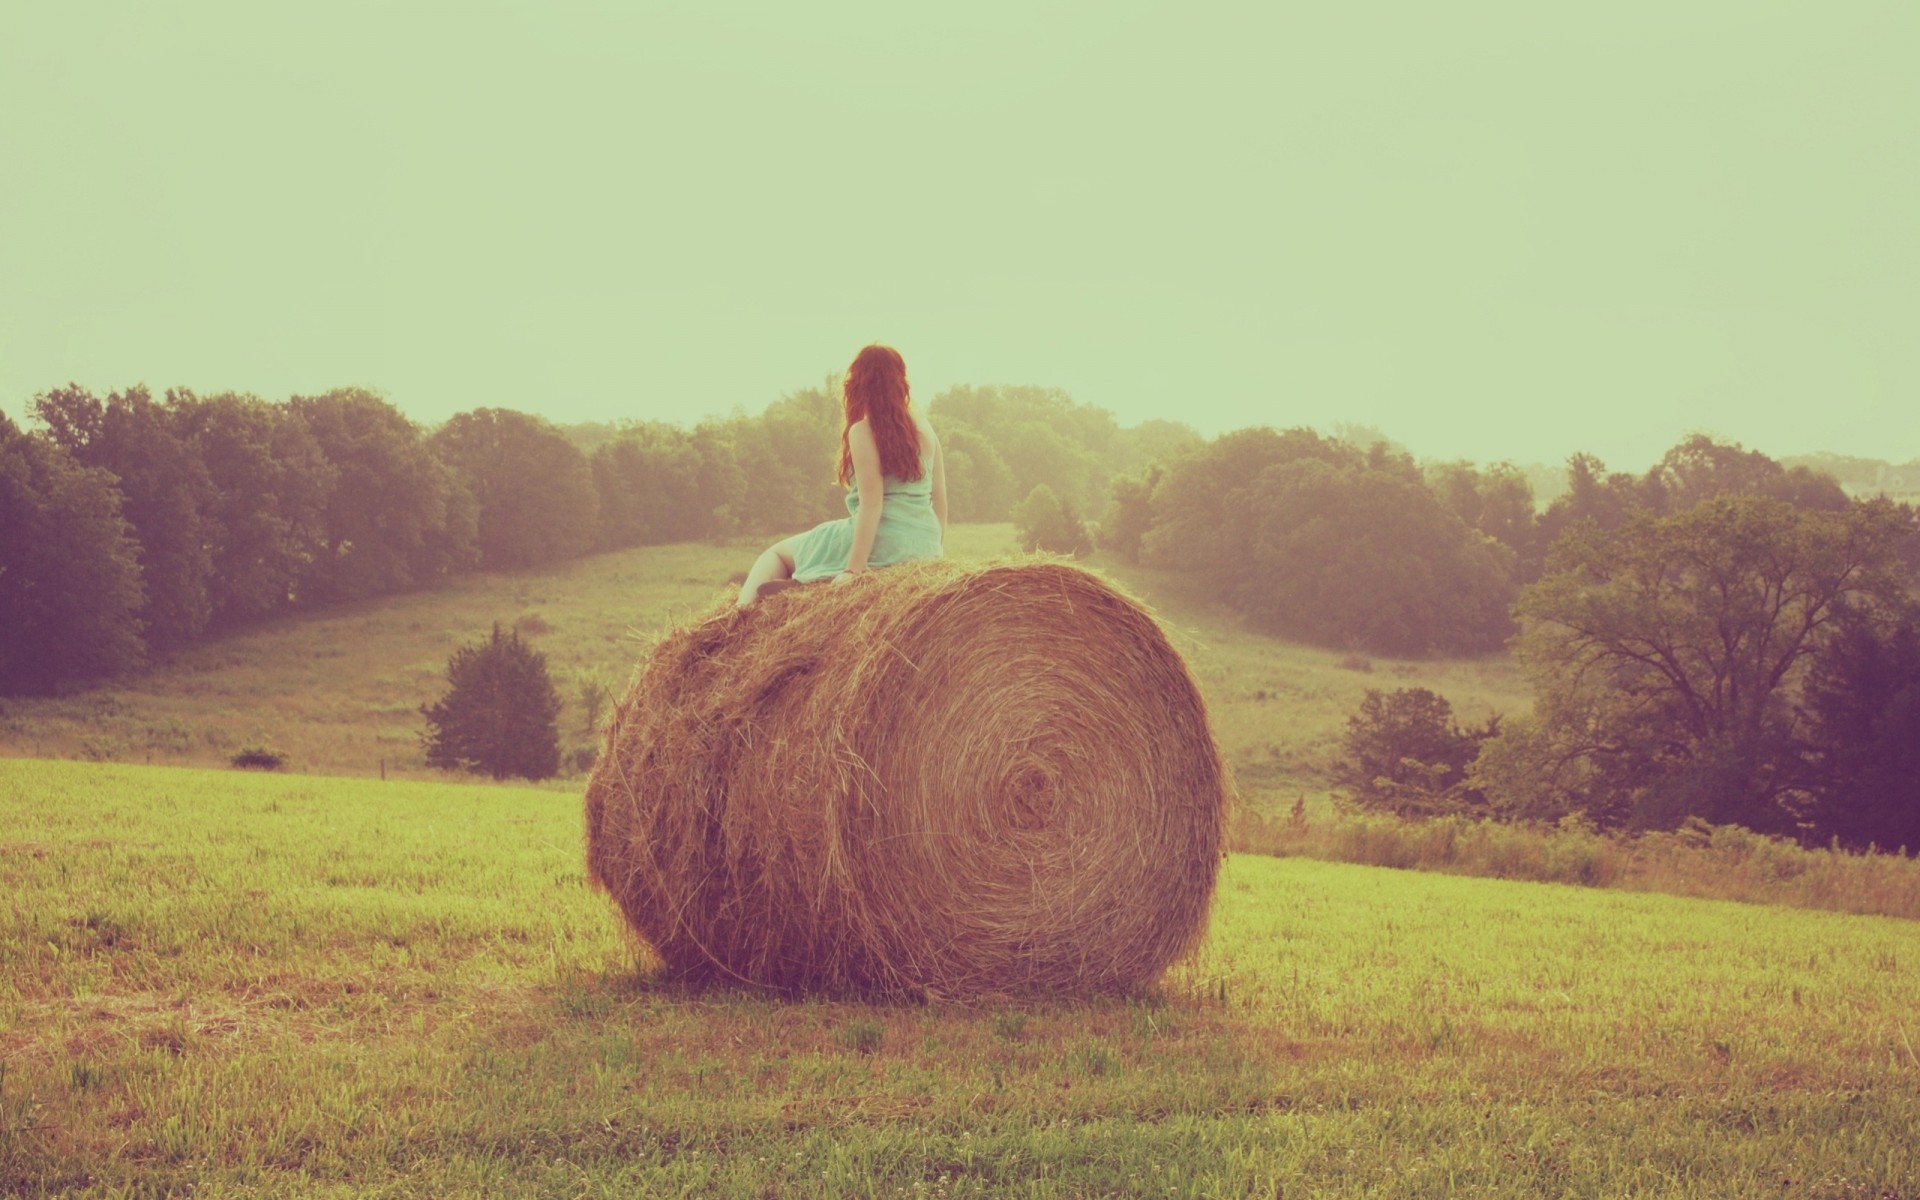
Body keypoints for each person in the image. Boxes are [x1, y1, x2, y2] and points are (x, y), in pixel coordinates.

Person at [737, 344, 947, 607]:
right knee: (825, 541)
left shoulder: (863, 431)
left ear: (859, 384)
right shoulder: (927, 429)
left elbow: (872, 505)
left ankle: (738, 616)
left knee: (777, 554)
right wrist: (934, 554)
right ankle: (812, 580)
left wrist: (853, 571)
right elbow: (940, 502)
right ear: (901, 382)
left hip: (883, 540)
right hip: (924, 544)